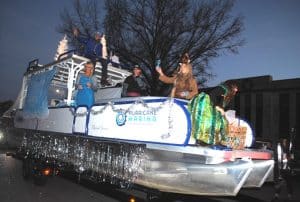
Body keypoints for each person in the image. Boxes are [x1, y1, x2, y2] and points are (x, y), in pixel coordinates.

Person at [188, 81, 238, 145]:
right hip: (207, 106)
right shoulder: (222, 89)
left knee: (222, 123)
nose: (236, 90)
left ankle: (216, 140)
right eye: (235, 88)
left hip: (215, 109)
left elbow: (224, 105)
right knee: (209, 123)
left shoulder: (227, 95)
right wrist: (218, 107)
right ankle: (202, 139)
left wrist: (225, 112)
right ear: (231, 86)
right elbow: (213, 95)